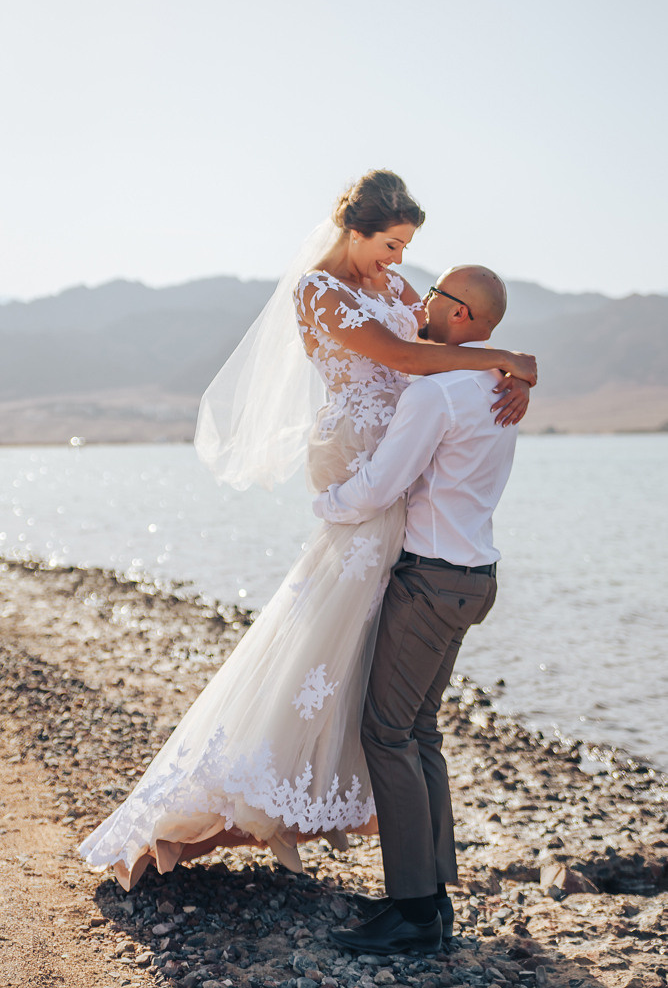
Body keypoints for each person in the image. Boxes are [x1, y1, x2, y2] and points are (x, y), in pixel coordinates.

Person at [79, 171, 535, 891]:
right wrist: (508, 362)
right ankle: (219, 805)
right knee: (316, 653)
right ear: (354, 230)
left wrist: (514, 372)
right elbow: (411, 359)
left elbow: (454, 336)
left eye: (407, 247)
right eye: (389, 244)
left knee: (373, 680)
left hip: (398, 493)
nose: (397, 261)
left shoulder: (394, 290)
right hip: (362, 488)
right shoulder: (319, 292)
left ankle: (396, 861)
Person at [313, 265, 520, 955]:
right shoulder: (497, 383)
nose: (421, 301)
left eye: (435, 296)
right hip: (473, 577)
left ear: (462, 316)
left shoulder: (440, 394)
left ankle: (410, 912)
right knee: (421, 732)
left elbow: (381, 486)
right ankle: (430, 900)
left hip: (431, 581)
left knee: (387, 734)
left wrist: (327, 505)